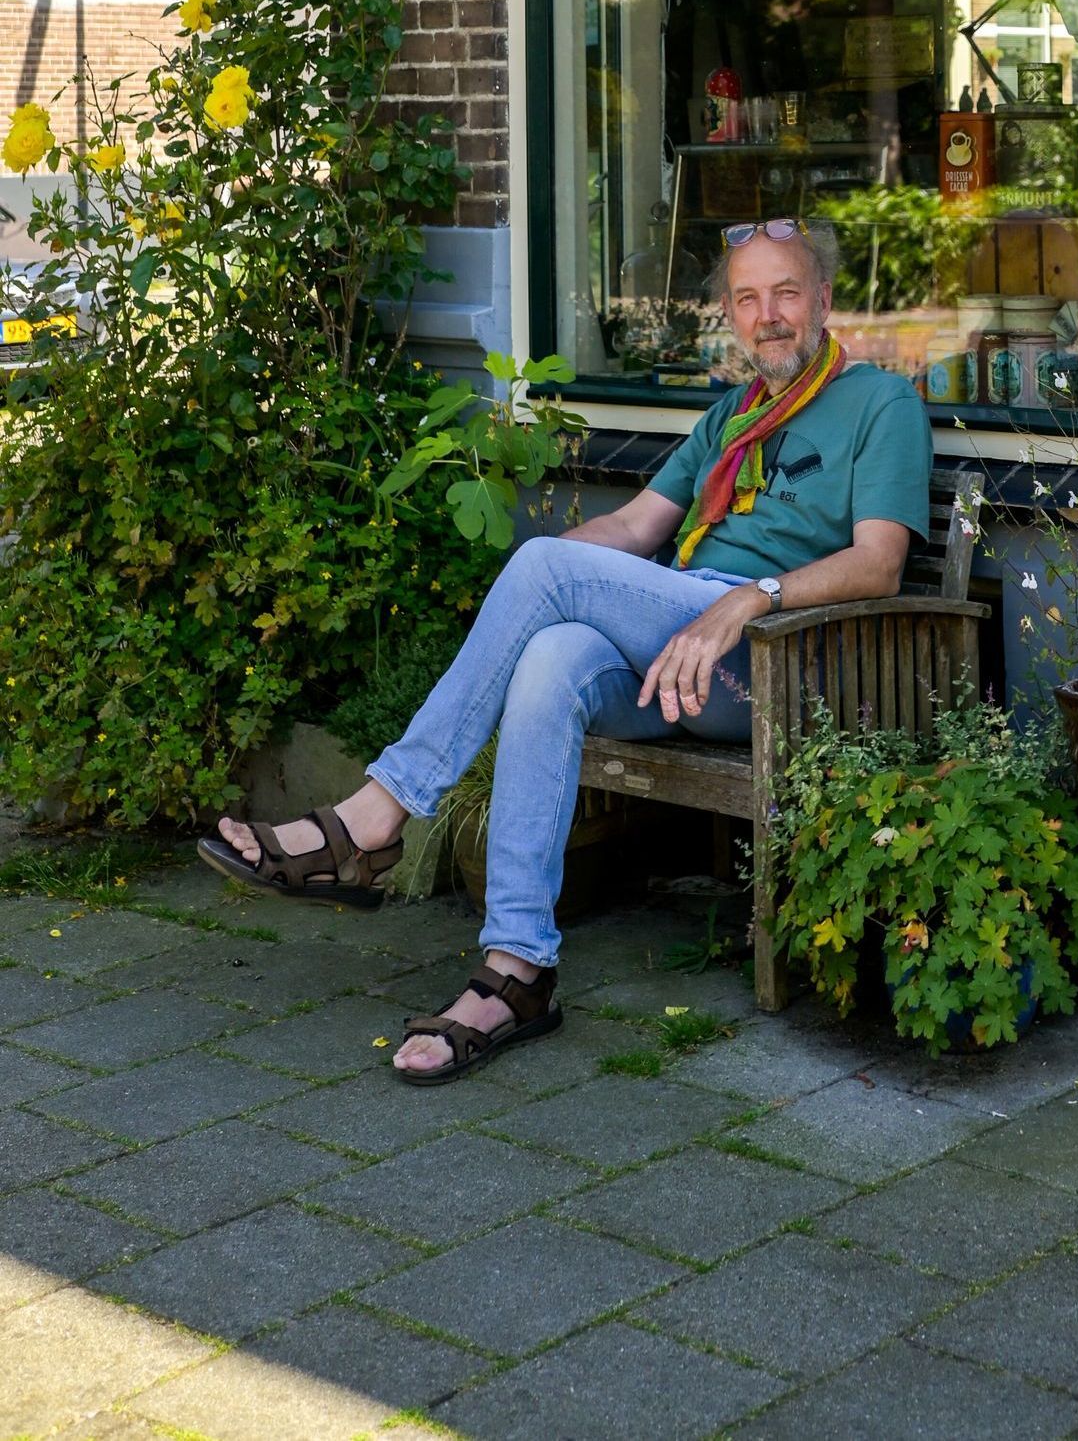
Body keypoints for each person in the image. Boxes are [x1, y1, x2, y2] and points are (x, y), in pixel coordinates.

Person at [197, 218, 933, 1082]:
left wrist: (750, 596)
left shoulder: (882, 403)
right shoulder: (730, 417)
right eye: (747, 296)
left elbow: (880, 563)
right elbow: (631, 528)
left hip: (772, 656)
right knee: (547, 657)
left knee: (545, 567)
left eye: (786, 292)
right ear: (731, 314)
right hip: (677, 657)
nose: (768, 314)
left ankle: (375, 817)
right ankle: (516, 971)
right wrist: (535, 595)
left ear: (823, 300)